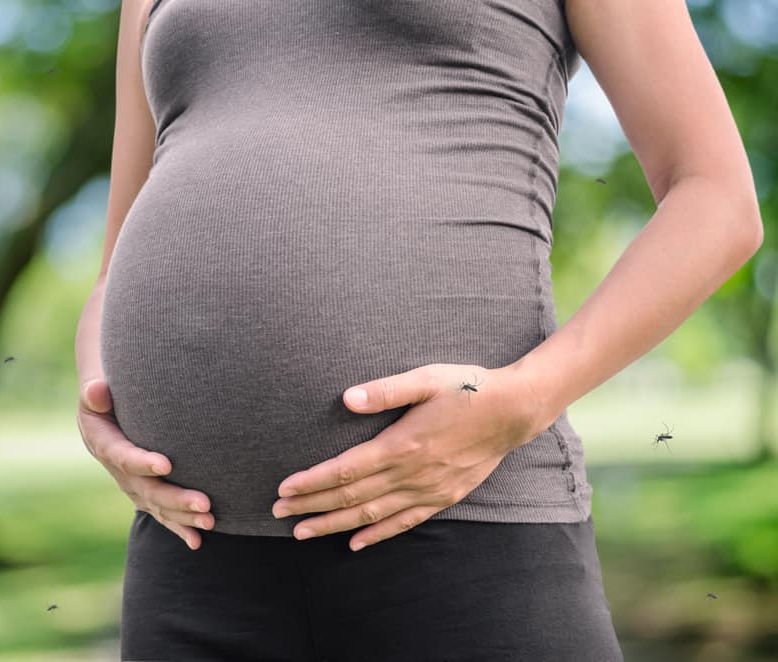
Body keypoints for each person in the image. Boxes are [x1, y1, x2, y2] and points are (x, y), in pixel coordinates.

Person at [74, 0, 763, 659]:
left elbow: (717, 198)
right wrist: (97, 395)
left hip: (463, 526)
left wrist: (526, 397)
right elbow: (113, 271)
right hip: (191, 558)